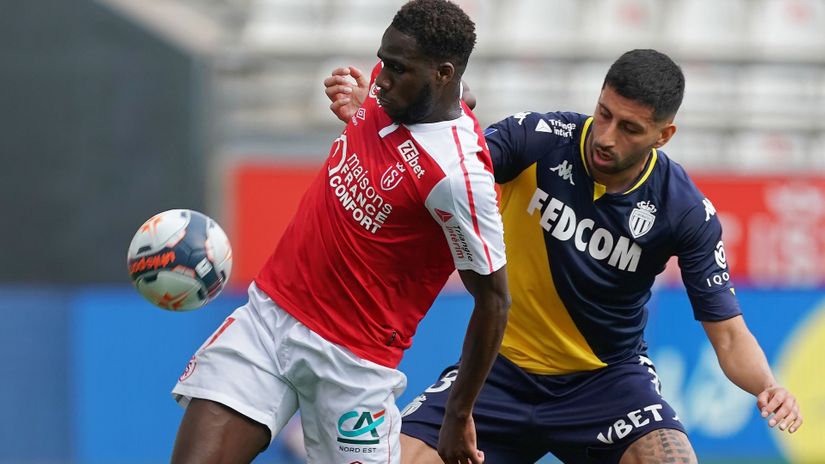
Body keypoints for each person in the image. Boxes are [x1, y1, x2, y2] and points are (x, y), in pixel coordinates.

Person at [326, 49, 802, 463]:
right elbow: (446, 163)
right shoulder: (538, 137)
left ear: (664, 135)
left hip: (605, 383)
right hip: (498, 371)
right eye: (604, 112)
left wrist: (767, 386)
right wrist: (385, 115)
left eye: (630, 128)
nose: (607, 136)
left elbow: (729, 335)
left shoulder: (684, 210)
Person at [170, 1, 510, 463]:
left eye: (398, 70)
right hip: (269, 320)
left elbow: (493, 299)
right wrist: (361, 108)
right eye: (383, 61)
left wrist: (458, 411)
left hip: (352, 367)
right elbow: (452, 98)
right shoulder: (394, 89)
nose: (382, 78)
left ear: (443, 73)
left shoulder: (459, 178)